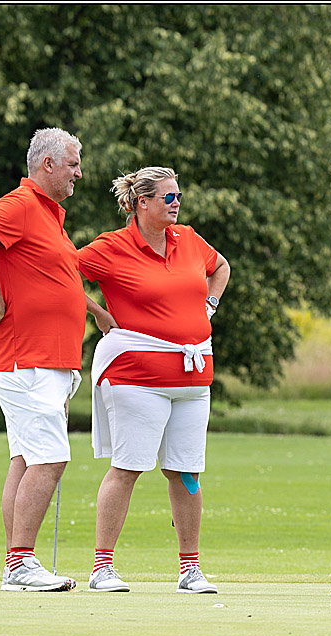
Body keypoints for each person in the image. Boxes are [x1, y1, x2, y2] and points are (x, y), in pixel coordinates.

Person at [0, 127, 116, 592]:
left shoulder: (50, 217)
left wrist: (97, 312)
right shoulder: (22, 205)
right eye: (73, 164)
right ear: (47, 164)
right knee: (49, 458)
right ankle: (19, 564)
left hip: (44, 361)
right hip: (25, 358)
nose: (79, 173)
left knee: (27, 459)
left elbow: (53, 281)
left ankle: (18, 561)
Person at [77, 166, 231, 594]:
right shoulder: (111, 247)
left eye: (178, 195)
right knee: (128, 467)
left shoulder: (189, 240)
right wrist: (98, 312)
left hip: (194, 380)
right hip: (134, 377)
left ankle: (190, 569)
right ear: (142, 202)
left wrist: (210, 305)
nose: (176, 203)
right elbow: (62, 274)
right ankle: (102, 567)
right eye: (168, 197)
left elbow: (221, 267)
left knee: (186, 472)